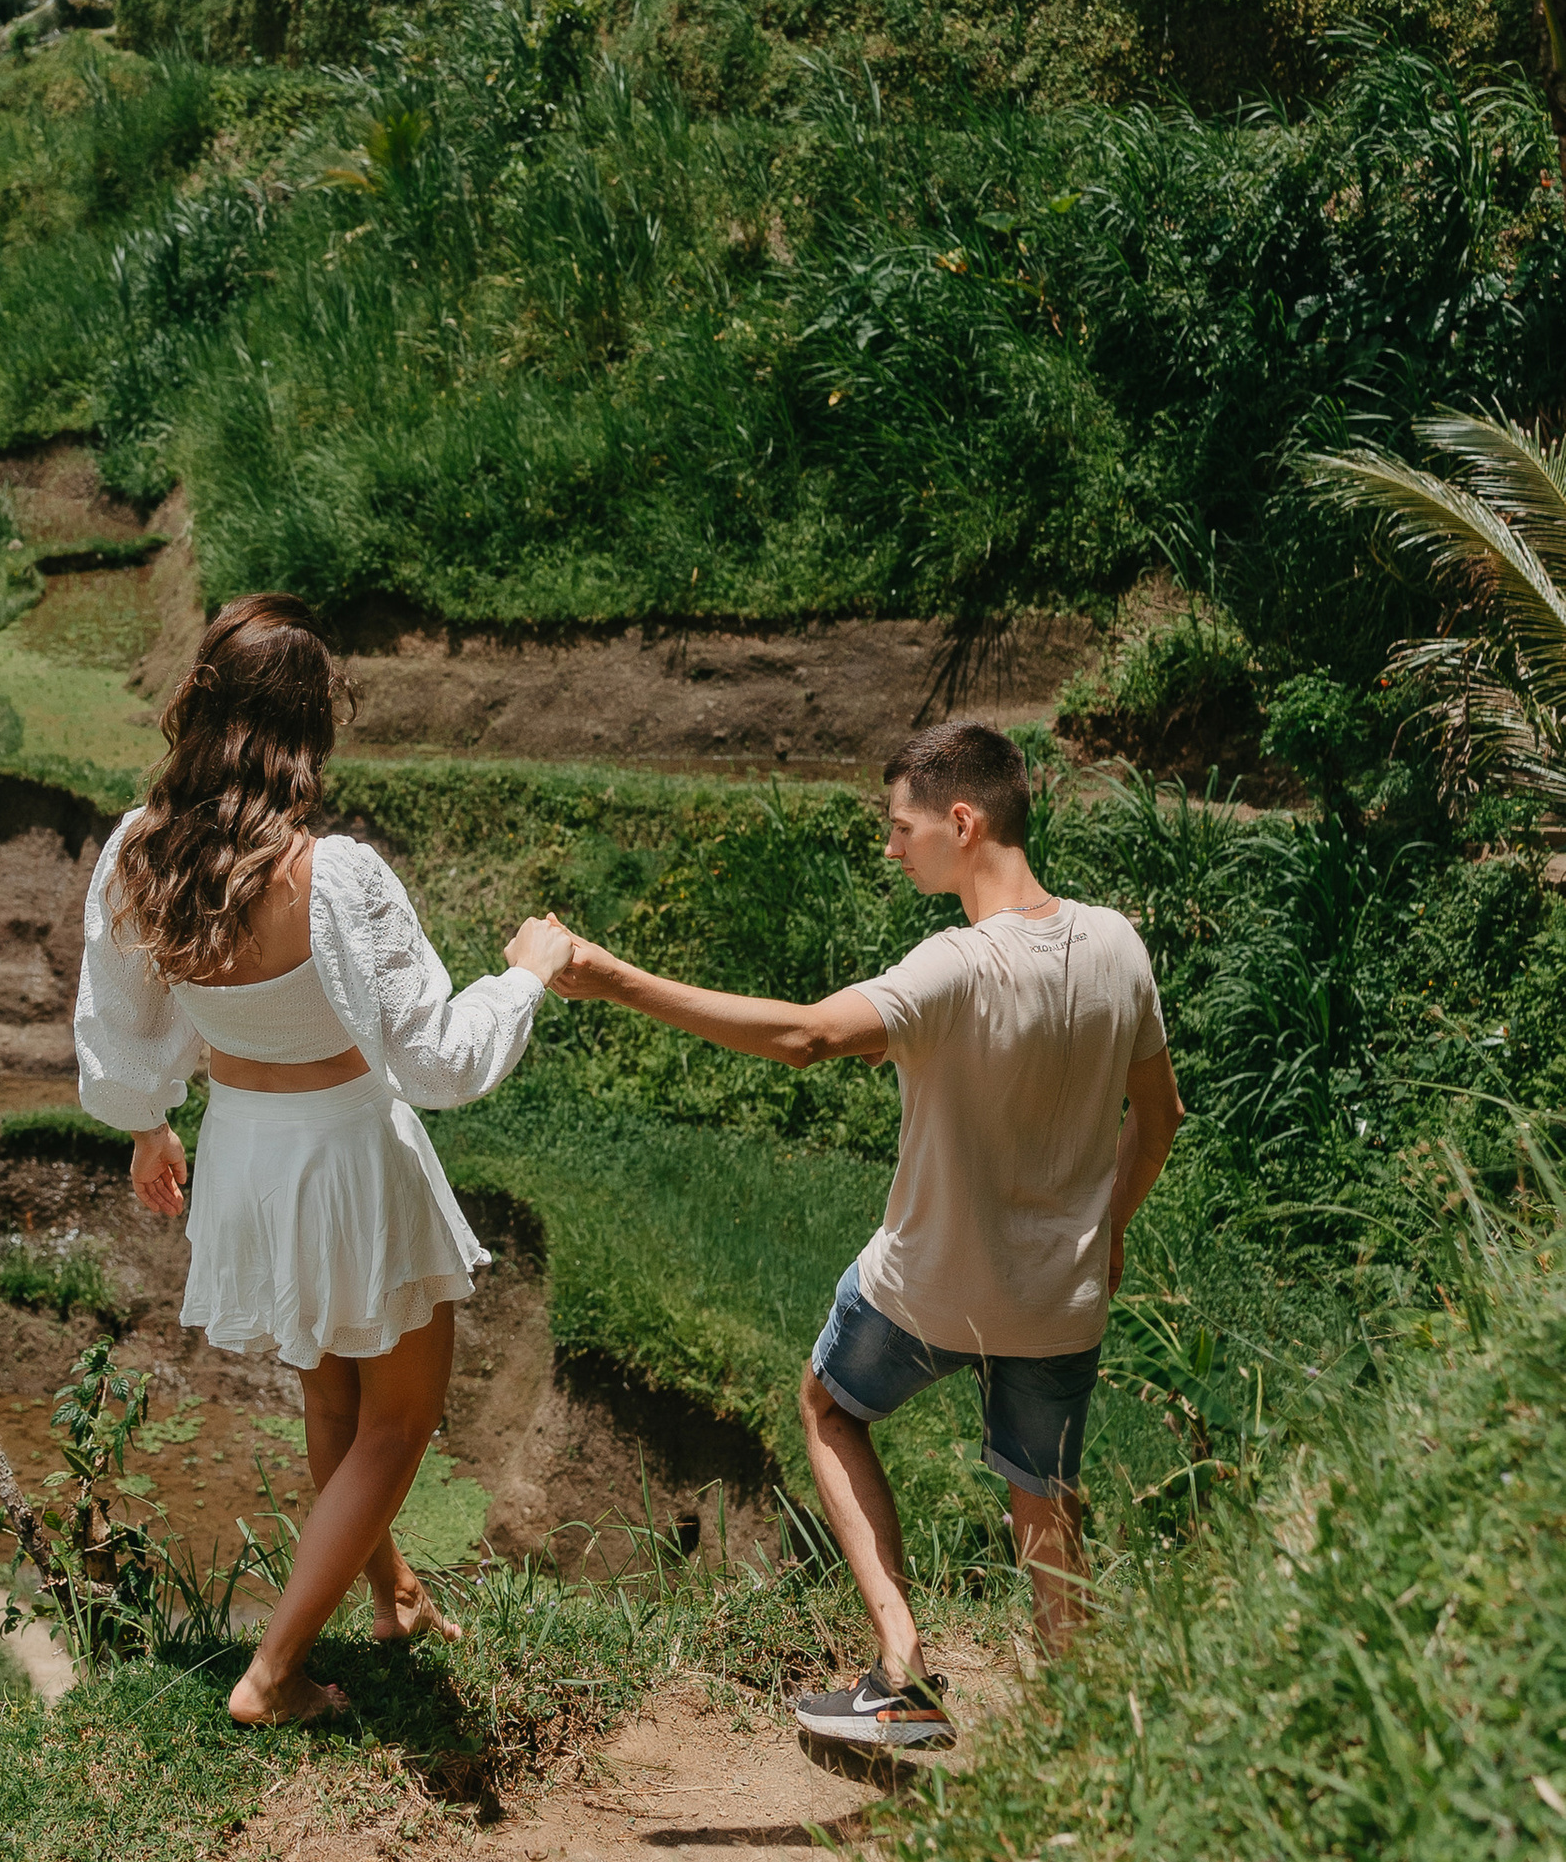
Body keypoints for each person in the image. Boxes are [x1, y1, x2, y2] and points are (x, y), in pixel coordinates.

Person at [551, 717, 1183, 1750]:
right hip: (1058, 1301)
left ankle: (900, 1669)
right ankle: (1092, 1745)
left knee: (827, 1407)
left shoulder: (955, 966)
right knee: (1043, 1494)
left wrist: (616, 978)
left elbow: (804, 1037)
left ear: (962, 821)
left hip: (926, 1290)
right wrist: (1105, 1230)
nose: (891, 849)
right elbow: (1157, 1121)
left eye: (901, 829)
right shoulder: (1119, 942)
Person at [76, 592, 570, 1728]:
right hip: (347, 1152)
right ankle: (274, 1669)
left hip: (244, 1154)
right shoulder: (330, 875)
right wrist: (529, 973)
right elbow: (437, 1060)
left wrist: (150, 1121)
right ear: (312, 727)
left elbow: (121, 1015)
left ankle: (391, 1594)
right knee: (397, 1421)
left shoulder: (141, 852)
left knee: (334, 1405)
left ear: (199, 703)